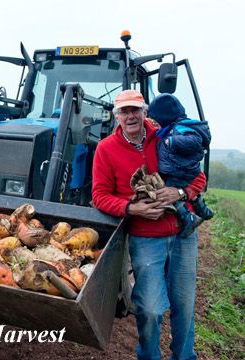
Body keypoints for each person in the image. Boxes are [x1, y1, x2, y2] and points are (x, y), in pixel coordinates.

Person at [91, 90, 207, 360]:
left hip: (182, 234)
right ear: (116, 116)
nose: (130, 116)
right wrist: (133, 209)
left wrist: (180, 193)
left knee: (184, 305)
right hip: (146, 239)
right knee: (151, 308)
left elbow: (198, 177)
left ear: (145, 112)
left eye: (135, 110)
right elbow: (99, 196)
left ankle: (184, 356)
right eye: (124, 111)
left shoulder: (166, 136)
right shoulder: (106, 149)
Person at [146, 93, 214, 236]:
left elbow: (194, 142)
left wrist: (172, 142)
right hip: (178, 169)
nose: (152, 122)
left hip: (179, 170)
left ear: (165, 117)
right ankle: (202, 209)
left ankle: (188, 217)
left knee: (166, 192)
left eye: (155, 119)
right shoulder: (170, 129)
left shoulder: (180, 129)